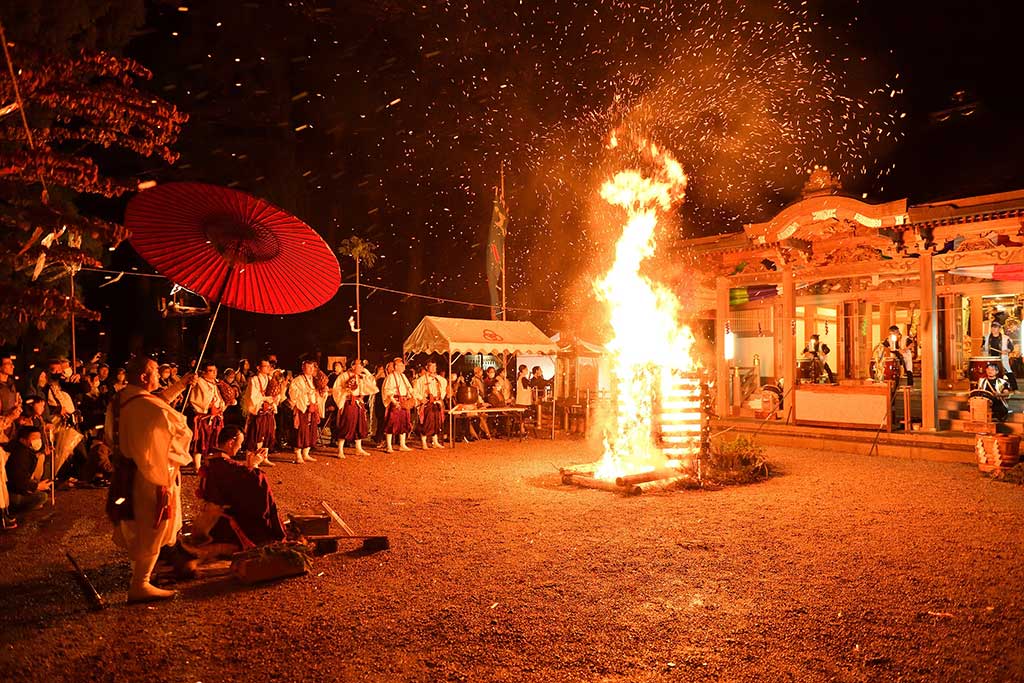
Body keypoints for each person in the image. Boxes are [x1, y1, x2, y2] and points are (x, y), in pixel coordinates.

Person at [104, 356, 192, 603]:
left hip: (127, 471)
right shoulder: (148, 407)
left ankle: (141, 576)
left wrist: (182, 385)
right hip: (149, 475)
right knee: (153, 526)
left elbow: (155, 401)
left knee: (137, 524)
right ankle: (140, 583)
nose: (159, 377)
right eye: (155, 372)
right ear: (144, 377)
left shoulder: (121, 399)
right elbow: (180, 432)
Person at [192, 425, 285, 553]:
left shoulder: (213, 460)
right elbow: (256, 483)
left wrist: (249, 466)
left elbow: (237, 481)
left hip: (211, 516)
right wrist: (254, 465)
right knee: (263, 520)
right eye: (240, 443)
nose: (240, 447)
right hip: (224, 523)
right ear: (231, 443)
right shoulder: (226, 465)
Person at [4, 425, 51, 516]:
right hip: (12, 493)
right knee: (42, 496)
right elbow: (17, 479)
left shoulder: (24, 450)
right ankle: (14, 511)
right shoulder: (20, 454)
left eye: (39, 438)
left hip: (14, 489)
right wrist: (36, 486)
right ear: (23, 440)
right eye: (34, 438)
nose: (38, 441)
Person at [331, 359, 374, 457]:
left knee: (359, 425)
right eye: (359, 366)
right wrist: (345, 391)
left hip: (358, 403)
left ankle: (358, 448)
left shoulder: (361, 377)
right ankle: (340, 450)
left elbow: (371, 382)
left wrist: (365, 372)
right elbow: (336, 389)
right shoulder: (344, 376)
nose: (361, 368)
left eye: (362, 367)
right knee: (345, 425)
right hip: (348, 402)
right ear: (353, 366)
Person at [188, 362, 226, 471]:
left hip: (216, 417)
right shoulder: (200, 382)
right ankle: (197, 466)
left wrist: (222, 405)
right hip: (204, 417)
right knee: (201, 441)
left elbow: (220, 398)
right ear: (204, 372)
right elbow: (195, 399)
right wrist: (209, 406)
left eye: (215, 370)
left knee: (213, 442)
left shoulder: (217, 383)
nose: (214, 373)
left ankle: (208, 464)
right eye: (210, 370)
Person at [242, 359, 279, 455]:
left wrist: (275, 398)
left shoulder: (270, 379)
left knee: (268, 434)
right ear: (258, 368)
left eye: (268, 366)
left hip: (268, 411)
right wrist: (266, 398)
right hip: (259, 411)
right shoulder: (254, 379)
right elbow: (253, 396)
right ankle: (251, 457)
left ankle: (264, 457)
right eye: (265, 366)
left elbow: (274, 394)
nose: (268, 368)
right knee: (256, 435)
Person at [288, 359, 321, 464]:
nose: (311, 369)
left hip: (312, 408)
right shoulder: (297, 380)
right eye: (308, 367)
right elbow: (292, 394)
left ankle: (306, 453)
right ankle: (298, 455)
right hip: (303, 408)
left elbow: (318, 393)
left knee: (311, 431)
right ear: (303, 368)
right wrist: (304, 392)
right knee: (300, 432)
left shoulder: (314, 380)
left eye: (312, 367)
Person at [381, 357, 415, 453]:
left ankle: (402, 444)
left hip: (404, 402)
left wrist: (412, 396)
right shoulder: (391, 377)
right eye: (401, 365)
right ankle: (389, 446)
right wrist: (394, 402)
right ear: (396, 366)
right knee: (391, 423)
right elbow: (387, 390)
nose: (403, 367)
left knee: (404, 423)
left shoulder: (403, 376)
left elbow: (409, 387)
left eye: (403, 366)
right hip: (395, 402)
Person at [414, 361, 448, 449]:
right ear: (427, 367)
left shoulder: (439, 379)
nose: (433, 368)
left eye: (434, 366)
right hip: (427, 404)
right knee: (426, 423)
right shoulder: (421, 380)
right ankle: (424, 442)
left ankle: (435, 441)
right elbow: (415, 391)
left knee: (437, 422)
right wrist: (421, 398)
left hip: (436, 403)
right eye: (431, 366)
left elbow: (444, 386)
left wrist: (440, 397)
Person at [983, 319, 1018, 391]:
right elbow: (982, 347)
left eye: (995, 327)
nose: (993, 329)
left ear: (999, 328)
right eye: (992, 327)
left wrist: (1007, 350)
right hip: (990, 359)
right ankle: (988, 388)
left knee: (1008, 371)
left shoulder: (1005, 338)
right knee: (988, 373)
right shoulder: (986, 338)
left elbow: (1011, 348)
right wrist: (983, 350)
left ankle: (1015, 388)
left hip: (1002, 358)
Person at [0, 355, 22, 444]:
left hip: (11, 431)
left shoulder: (11, 384)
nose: (12, 366)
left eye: (12, 363)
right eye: (8, 364)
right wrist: (10, 416)